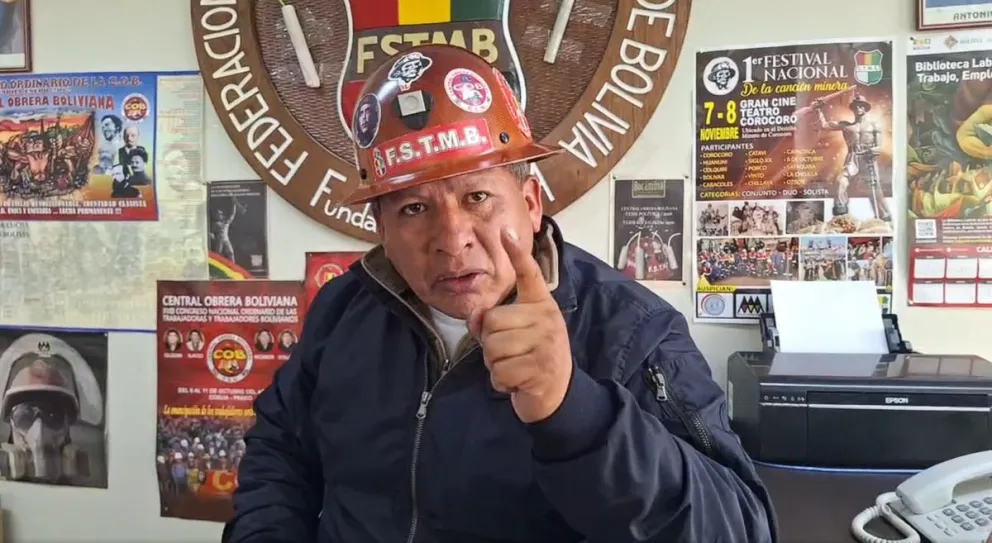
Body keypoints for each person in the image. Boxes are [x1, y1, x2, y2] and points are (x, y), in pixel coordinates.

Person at [224, 45, 776, 543]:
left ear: (531, 204)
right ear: (381, 231)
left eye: (478, 196)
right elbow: (281, 452)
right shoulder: (343, 310)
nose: (452, 239)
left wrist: (575, 411)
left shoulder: (632, 329)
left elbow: (739, 527)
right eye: (414, 209)